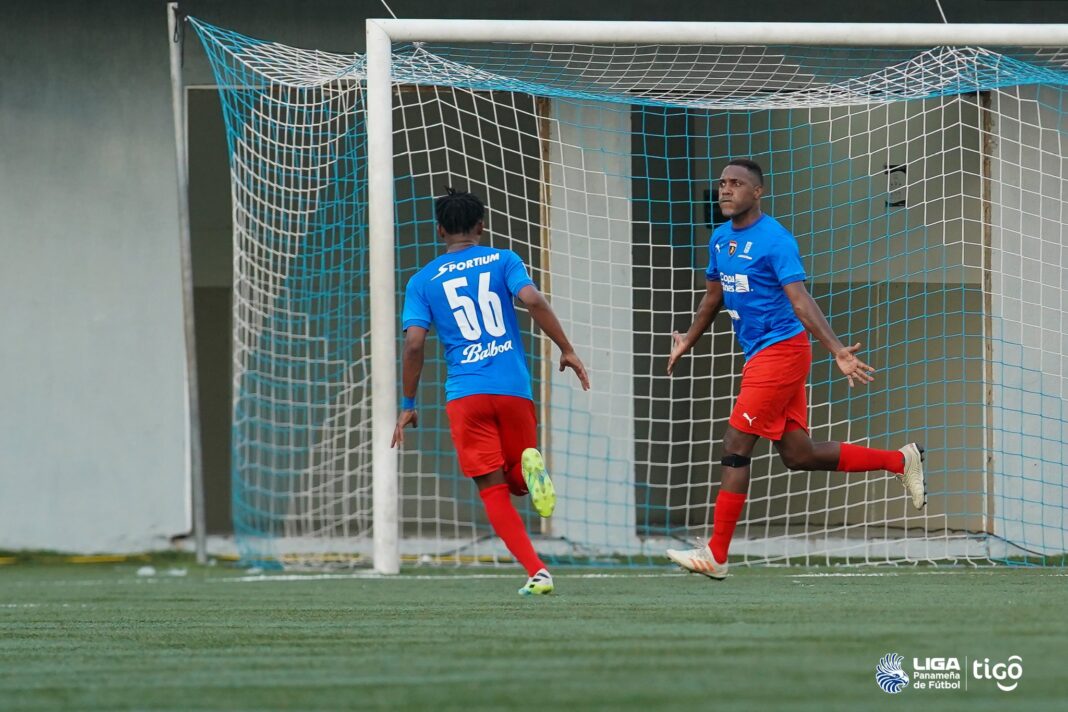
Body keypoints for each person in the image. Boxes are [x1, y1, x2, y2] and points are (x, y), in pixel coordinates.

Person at [665, 159, 926, 580]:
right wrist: (688, 340)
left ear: (758, 192)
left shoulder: (776, 240)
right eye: (722, 183)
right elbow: (713, 297)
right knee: (798, 454)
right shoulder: (719, 238)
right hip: (761, 354)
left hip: (781, 352)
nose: (726, 190)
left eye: (737, 184)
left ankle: (716, 554)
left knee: (735, 444)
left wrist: (837, 350)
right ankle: (900, 460)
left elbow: (801, 301)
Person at [392, 187, 590, 595]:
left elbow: (413, 344)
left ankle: (537, 571)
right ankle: (529, 469)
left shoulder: (422, 280)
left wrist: (408, 403)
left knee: (494, 488)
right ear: (481, 226)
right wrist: (567, 349)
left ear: (439, 230)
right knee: (519, 477)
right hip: (513, 387)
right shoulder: (504, 259)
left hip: (466, 395)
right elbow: (534, 300)